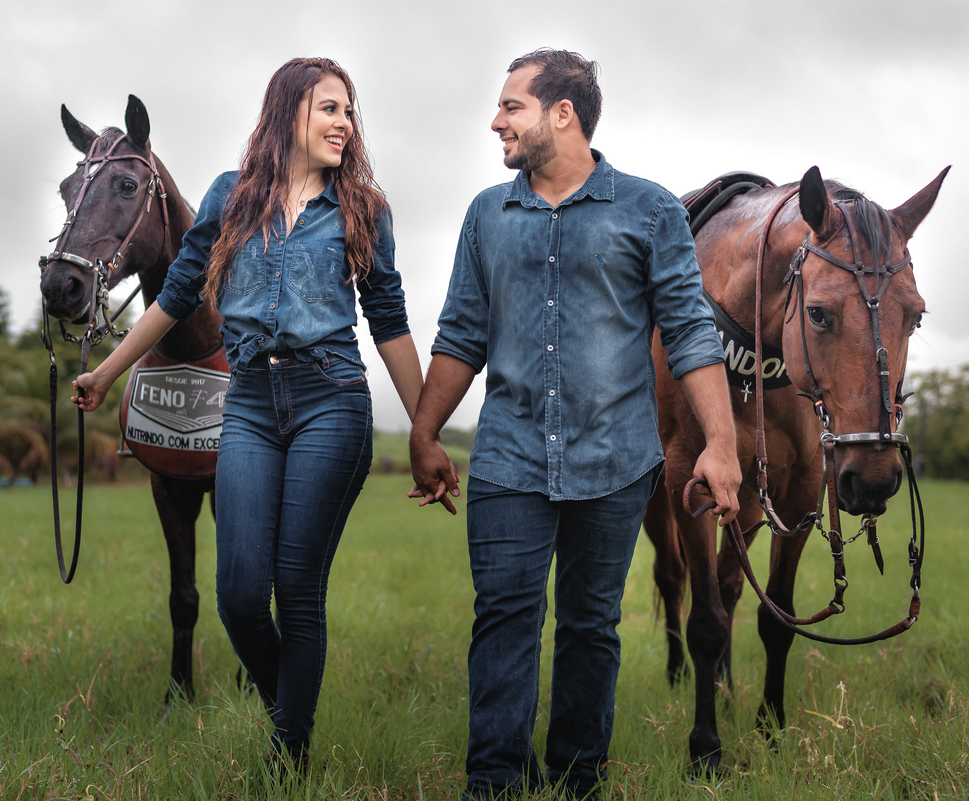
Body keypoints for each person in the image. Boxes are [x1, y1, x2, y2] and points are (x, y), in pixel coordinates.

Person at [73, 57, 424, 770]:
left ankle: (287, 756)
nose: (344, 124)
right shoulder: (228, 197)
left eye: (350, 112)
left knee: (297, 588)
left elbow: (389, 321)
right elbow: (176, 293)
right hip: (252, 405)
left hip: (332, 399)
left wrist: (424, 431)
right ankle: (290, 711)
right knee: (237, 594)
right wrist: (108, 373)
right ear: (288, 110)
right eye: (330, 108)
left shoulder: (362, 205)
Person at [408, 49, 741, 798]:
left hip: (616, 460)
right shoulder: (486, 214)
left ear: (564, 114)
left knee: (591, 626)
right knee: (504, 618)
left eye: (511, 106)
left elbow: (690, 334)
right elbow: (462, 332)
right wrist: (426, 432)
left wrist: (721, 444)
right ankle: (492, 779)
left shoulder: (652, 210)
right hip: (507, 456)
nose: (496, 121)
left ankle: (576, 777)